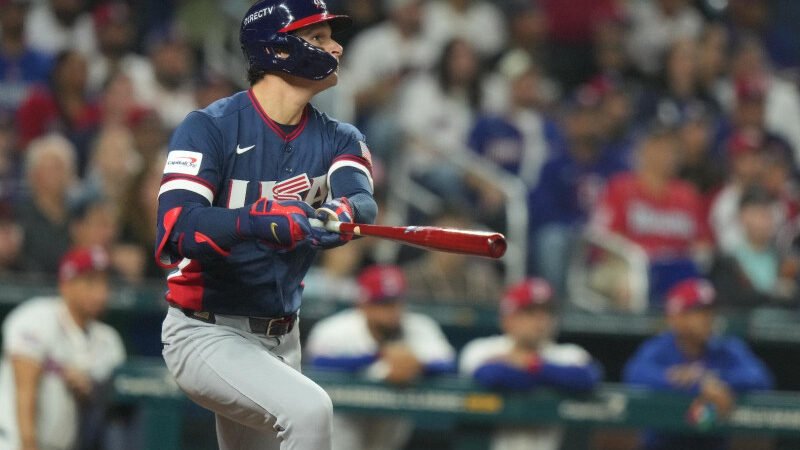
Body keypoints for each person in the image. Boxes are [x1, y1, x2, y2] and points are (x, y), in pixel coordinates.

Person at [157, 1, 378, 449]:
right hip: (206, 327)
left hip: (282, 334)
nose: (335, 47)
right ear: (278, 50)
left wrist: (341, 215)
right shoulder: (209, 127)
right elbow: (176, 228)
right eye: (317, 38)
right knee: (310, 411)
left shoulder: (340, 137)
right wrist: (258, 220)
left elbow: (360, 199)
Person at [305, 265, 456, 450]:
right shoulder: (334, 329)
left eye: (397, 302)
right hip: (344, 418)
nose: (393, 311)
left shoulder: (420, 326)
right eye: (383, 304)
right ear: (363, 304)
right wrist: (378, 356)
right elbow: (317, 363)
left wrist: (419, 365)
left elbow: (448, 363)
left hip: (390, 420)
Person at [623, 278, 774, 450]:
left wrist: (717, 381)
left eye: (711, 312)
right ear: (676, 317)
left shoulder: (726, 347)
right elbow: (634, 374)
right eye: (699, 312)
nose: (708, 319)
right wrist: (690, 385)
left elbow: (760, 377)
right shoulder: (659, 348)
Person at [0, 246, 126, 450]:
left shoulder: (108, 340)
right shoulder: (36, 317)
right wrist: (28, 445)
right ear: (66, 285)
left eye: (104, 282)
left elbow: (107, 408)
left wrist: (89, 388)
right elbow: (25, 391)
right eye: (90, 282)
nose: (100, 292)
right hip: (13, 443)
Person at [460, 277, 602, 450]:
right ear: (508, 319)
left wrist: (531, 364)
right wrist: (551, 375)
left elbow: (587, 378)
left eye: (547, 312)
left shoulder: (568, 353)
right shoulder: (482, 348)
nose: (541, 320)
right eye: (530, 312)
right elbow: (492, 376)